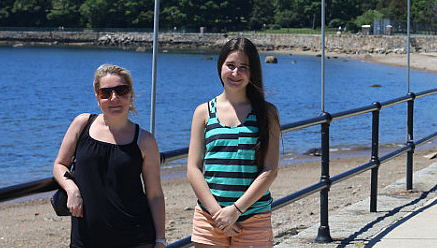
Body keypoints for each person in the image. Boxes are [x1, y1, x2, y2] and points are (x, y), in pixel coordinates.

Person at [53, 64, 166, 248]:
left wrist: (160, 240)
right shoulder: (82, 124)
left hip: (135, 237)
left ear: (131, 95)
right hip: (86, 237)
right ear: (98, 98)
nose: (115, 98)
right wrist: (71, 189)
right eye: (106, 93)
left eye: (121, 91)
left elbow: (155, 195)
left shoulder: (145, 140)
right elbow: (60, 164)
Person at [187, 37, 280, 248]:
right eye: (230, 65)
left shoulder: (268, 113)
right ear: (220, 66)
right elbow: (193, 168)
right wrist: (218, 214)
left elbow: (270, 170)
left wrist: (235, 210)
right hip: (209, 218)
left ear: (253, 71)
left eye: (243, 67)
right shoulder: (203, 112)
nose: (235, 73)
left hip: (253, 217)